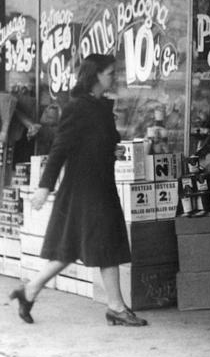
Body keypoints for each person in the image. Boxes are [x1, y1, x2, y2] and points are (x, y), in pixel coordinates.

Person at [8, 53, 147, 327]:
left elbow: (101, 141)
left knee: (73, 247)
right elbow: (60, 149)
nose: (113, 77)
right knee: (106, 241)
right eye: (109, 72)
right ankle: (116, 307)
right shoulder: (77, 107)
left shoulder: (101, 106)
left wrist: (112, 150)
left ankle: (30, 291)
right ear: (95, 74)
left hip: (100, 184)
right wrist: (44, 187)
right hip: (85, 189)